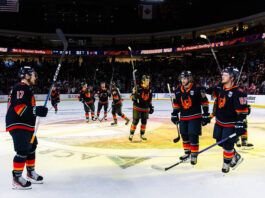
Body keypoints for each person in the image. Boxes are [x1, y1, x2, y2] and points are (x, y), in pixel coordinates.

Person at [6, 66, 48, 189]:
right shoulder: (21, 87)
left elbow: (28, 109)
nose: (35, 77)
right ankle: (17, 178)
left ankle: (30, 173)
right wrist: (36, 110)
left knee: (31, 147)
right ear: (27, 76)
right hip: (18, 124)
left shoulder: (26, 88)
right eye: (33, 75)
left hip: (26, 124)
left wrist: (37, 110)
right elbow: (20, 108)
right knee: (22, 150)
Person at [208, 67, 248, 173]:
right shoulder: (221, 87)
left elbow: (243, 111)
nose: (222, 76)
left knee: (228, 144)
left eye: (225, 75)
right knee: (220, 142)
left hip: (230, 123)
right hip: (219, 121)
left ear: (232, 78)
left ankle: (226, 163)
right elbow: (213, 93)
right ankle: (235, 155)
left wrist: (240, 124)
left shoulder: (238, 92)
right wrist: (204, 89)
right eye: (223, 74)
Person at [171, 71, 210, 165]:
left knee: (193, 135)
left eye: (185, 78)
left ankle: (194, 155)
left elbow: (205, 101)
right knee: (184, 134)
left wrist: (205, 114)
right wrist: (174, 114)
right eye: (182, 78)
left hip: (195, 116)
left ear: (189, 79)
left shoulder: (197, 88)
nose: (183, 80)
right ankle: (187, 153)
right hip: (183, 117)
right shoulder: (177, 90)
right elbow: (176, 104)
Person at [129, 75, 154, 142]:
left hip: (145, 108)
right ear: (143, 81)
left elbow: (150, 99)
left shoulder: (150, 89)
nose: (148, 82)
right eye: (146, 80)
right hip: (137, 108)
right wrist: (134, 97)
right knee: (135, 122)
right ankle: (131, 134)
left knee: (144, 122)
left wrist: (150, 106)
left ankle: (142, 134)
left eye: (148, 80)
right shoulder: (137, 87)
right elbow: (131, 96)